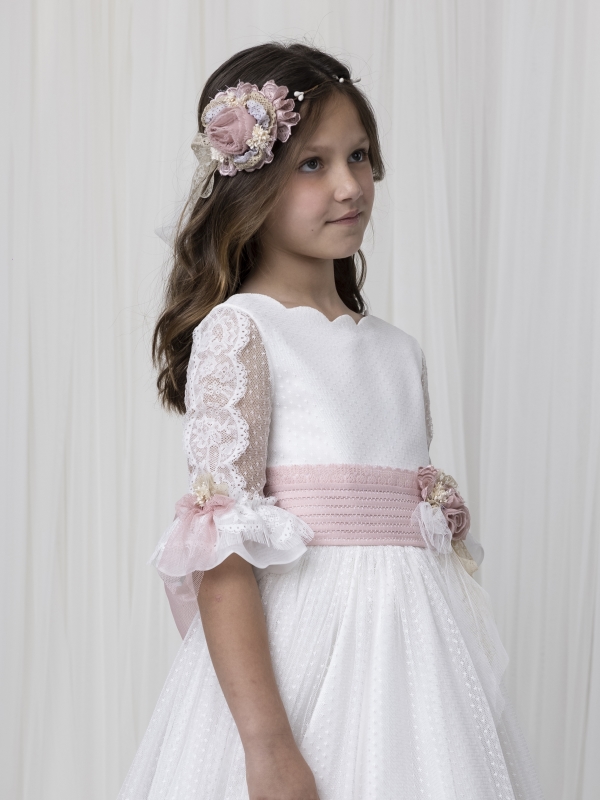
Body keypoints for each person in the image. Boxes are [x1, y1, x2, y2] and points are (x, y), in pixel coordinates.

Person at [118, 41, 545, 800]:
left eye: (359, 156)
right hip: (308, 665)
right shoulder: (244, 331)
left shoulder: (398, 351)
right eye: (312, 164)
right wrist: (268, 745)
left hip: (416, 673)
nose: (349, 186)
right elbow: (223, 554)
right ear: (251, 179)